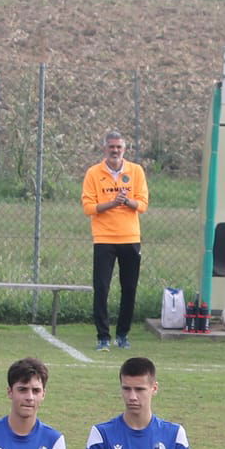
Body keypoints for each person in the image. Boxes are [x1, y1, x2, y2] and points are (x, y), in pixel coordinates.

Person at [82, 130, 148, 352]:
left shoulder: (136, 171)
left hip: (130, 238)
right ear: (105, 148)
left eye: (119, 147)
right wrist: (111, 203)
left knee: (129, 288)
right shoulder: (93, 173)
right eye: (111, 147)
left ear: (124, 149)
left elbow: (143, 204)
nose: (115, 150)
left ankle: (122, 335)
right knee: (101, 288)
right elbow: (88, 207)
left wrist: (128, 202)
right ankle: (103, 336)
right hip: (104, 239)